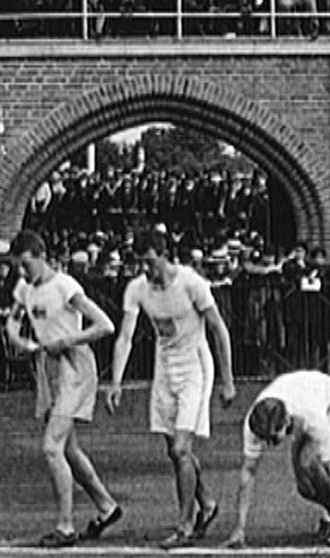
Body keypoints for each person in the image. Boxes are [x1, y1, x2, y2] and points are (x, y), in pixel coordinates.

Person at [107, 229, 236, 549]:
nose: (147, 270)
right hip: (164, 367)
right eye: (141, 263)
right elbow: (125, 335)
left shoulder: (191, 282)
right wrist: (116, 382)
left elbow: (219, 329)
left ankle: (185, 525)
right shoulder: (137, 288)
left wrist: (228, 379)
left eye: (150, 262)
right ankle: (206, 503)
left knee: (180, 449)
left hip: (195, 366)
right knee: (175, 451)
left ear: (164, 255)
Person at [5, 230, 122, 548]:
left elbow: (104, 324)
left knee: (51, 447)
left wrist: (66, 340)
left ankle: (65, 526)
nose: (22, 272)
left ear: (39, 255)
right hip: (49, 366)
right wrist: (26, 343)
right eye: (19, 267)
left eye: (26, 265)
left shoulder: (66, 286)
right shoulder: (24, 288)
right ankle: (106, 506)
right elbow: (12, 325)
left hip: (74, 367)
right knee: (67, 448)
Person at [223, 371, 330, 549]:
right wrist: (239, 528)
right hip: (305, 395)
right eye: (265, 439)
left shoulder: (313, 418)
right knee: (305, 488)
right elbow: (248, 472)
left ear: (286, 422)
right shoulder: (253, 424)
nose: (269, 445)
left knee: (308, 462)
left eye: (272, 438)